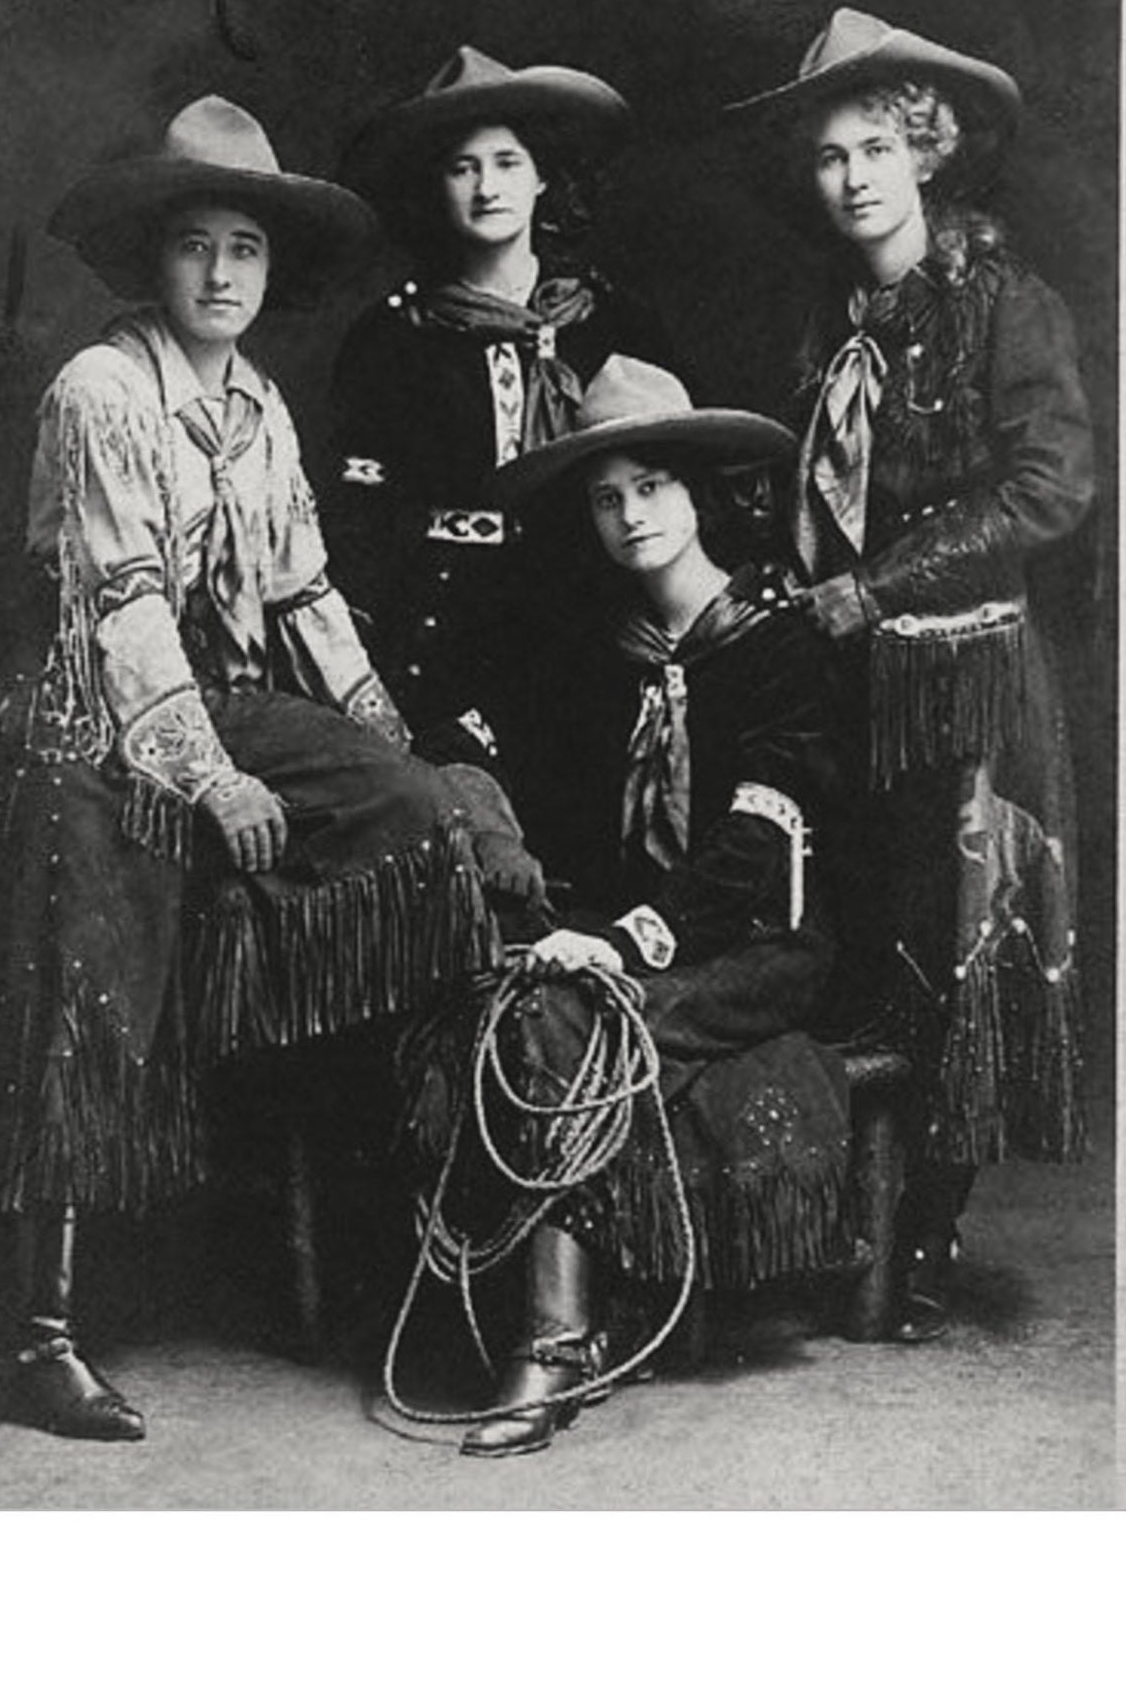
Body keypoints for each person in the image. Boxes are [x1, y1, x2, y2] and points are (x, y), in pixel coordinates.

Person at [0, 95, 497, 1440]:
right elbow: (121, 605)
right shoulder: (101, 391)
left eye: (246, 249)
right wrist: (211, 778)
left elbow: (304, 592)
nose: (221, 274)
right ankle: (43, 1331)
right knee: (95, 960)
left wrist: (390, 742)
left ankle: (388, 1226)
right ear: (152, 257)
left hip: (216, 692)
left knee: (406, 813)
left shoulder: (256, 402)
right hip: (86, 716)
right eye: (194, 245)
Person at [391, 355, 858, 1458]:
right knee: (518, 1006)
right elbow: (501, 756)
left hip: (763, 942)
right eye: (606, 499)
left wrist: (623, 939)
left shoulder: (778, 643)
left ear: (700, 496)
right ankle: (568, 1322)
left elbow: (757, 843)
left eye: (651, 488)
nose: (629, 515)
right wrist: (494, 834)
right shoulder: (598, 650)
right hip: (629, 926)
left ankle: (554, 1346)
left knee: (582, 1014)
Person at [728, 7, 1095, 1339]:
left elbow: (1049, 486)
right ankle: (844, 1226)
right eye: (830, 156)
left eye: (876, 148)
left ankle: (923, 1230)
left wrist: (878, 586)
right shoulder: (831, 322)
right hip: (853, 681)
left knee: (957, 952)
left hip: (967, 680)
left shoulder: (1004, 303)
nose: (853, 178)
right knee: (859, 945)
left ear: (925, 150)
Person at [329, 47, 675, 795]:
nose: (487, 188)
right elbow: (358, 521)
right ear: (435, 184)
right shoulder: (392, 338)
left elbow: (683, 481)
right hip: (445, 623)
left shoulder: (613, 320)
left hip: (595, 614)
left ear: (543, 175)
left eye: (507, 163)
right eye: (463, 168)